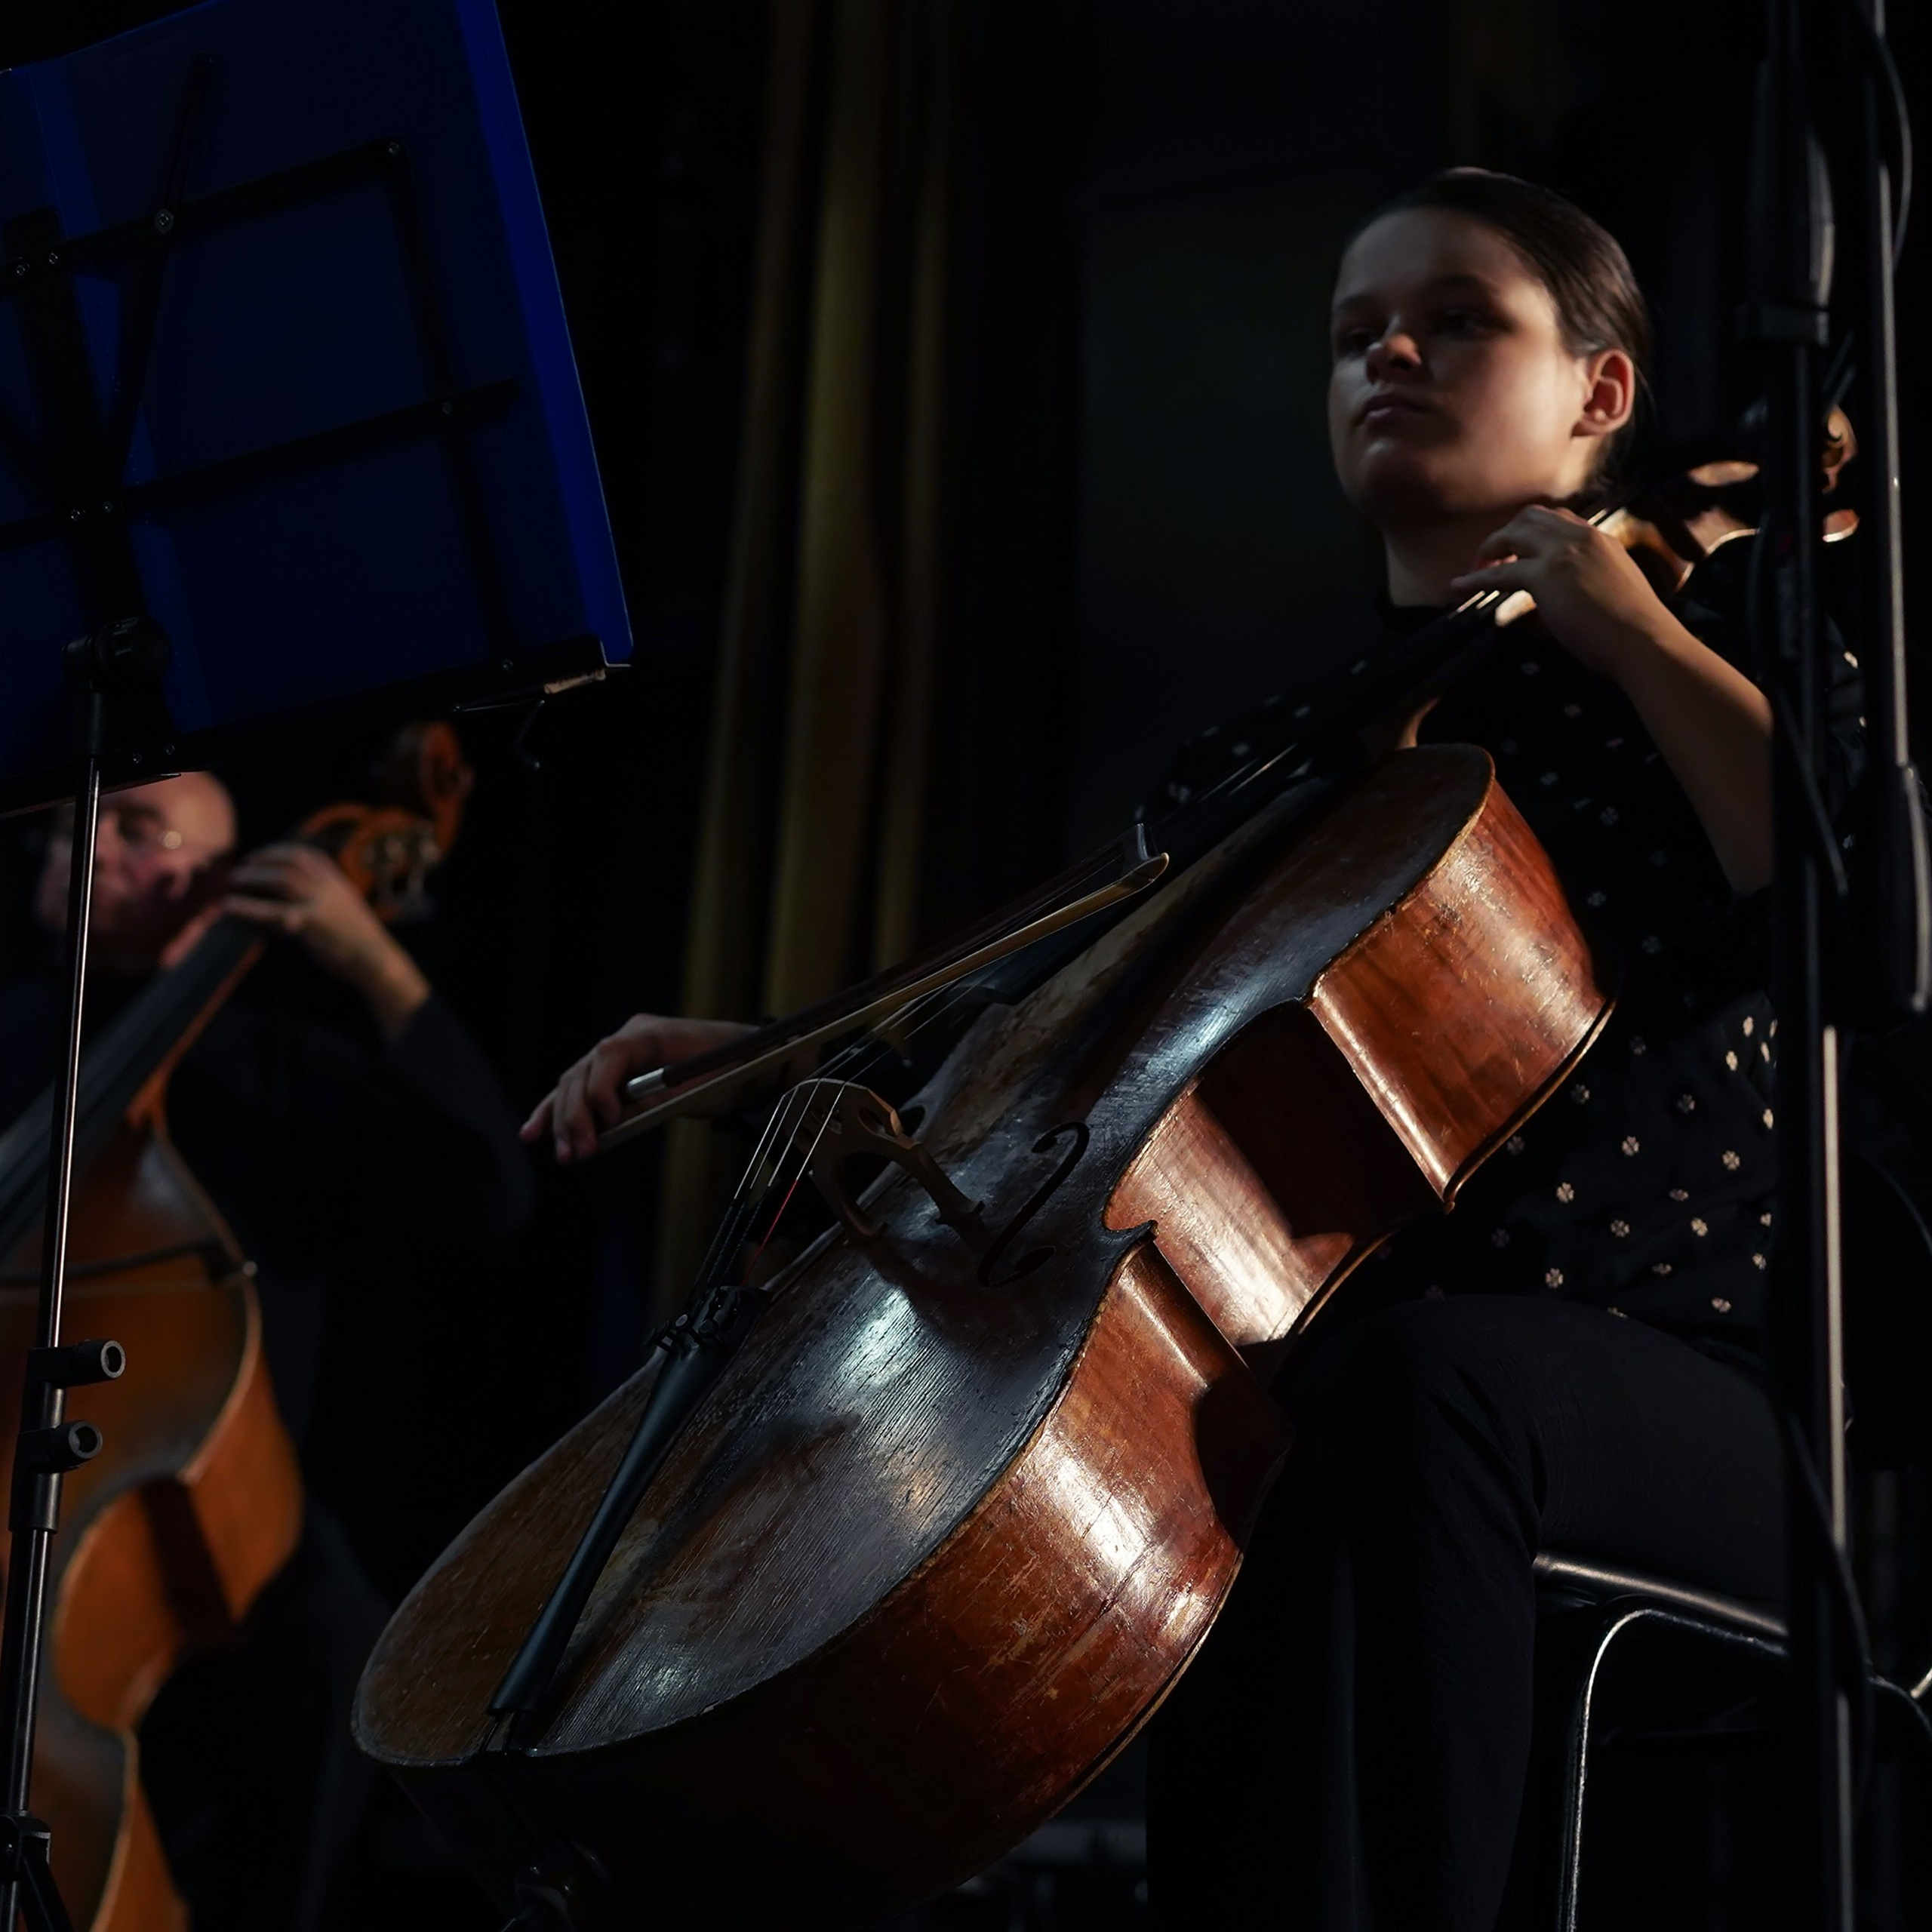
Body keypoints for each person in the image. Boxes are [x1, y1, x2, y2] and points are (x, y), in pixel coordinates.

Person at [528, 171, 1856, 1927]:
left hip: (1692, 1398)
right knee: (1236, 1435)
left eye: (1456, 316)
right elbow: (1055, 1052)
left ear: (1598, 395)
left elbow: (1841, 908)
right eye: (1352, 331)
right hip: (1340, 1392)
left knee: (1397, 1395)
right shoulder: (1271, 763)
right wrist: (786, 1056)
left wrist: (1635, 633)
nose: (1387, 349)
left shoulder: (1710, 649)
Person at [0, 769, 532, 1932]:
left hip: (199, 1497)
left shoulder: (280, 1069)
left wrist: (373, 962)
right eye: (76, 821)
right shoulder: (13, 1035)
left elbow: (486, 1189)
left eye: (135, 829)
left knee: (340, 1652)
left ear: (214, 889)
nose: (84, 841)